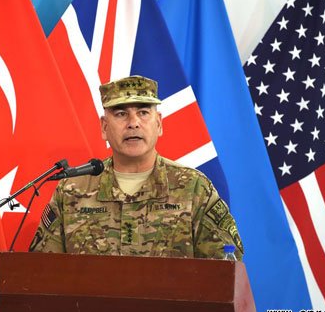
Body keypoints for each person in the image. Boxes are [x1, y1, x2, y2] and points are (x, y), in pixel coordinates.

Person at [29, 75, 243, 259]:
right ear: (104, 127)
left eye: (143, 112)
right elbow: (42, 270)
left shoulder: (194, 188)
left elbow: (225, 267)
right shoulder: (71, 191)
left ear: (158, 123)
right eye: (121, 114)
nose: (133, 123)